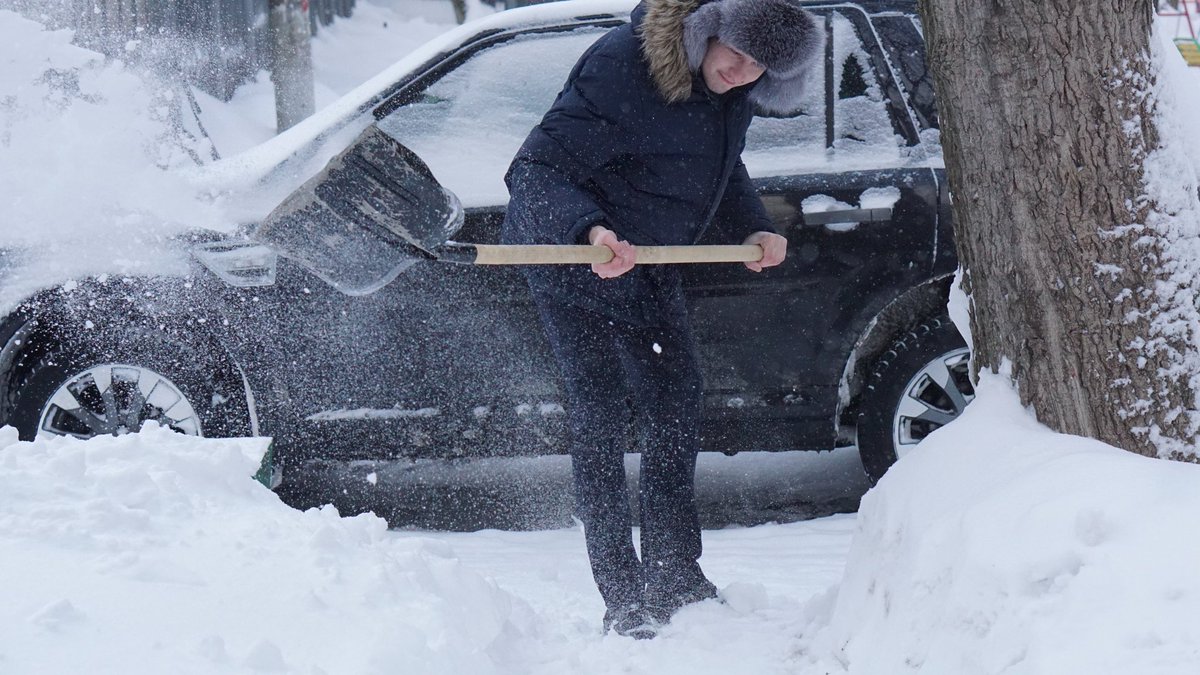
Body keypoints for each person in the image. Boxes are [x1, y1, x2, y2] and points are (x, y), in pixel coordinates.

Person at [500, 0, 823, 638]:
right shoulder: (623, 64)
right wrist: (588, 230)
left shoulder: (730, 88)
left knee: (675, 403)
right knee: (601, 414)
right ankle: (623, 594)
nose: (744, 72)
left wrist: (755, 226)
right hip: (573, 257)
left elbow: (720, 167)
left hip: (649, 262)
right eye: (738, 54)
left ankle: (675, 574)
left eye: (762, 67)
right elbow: (534, 171)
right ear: (710, 32)